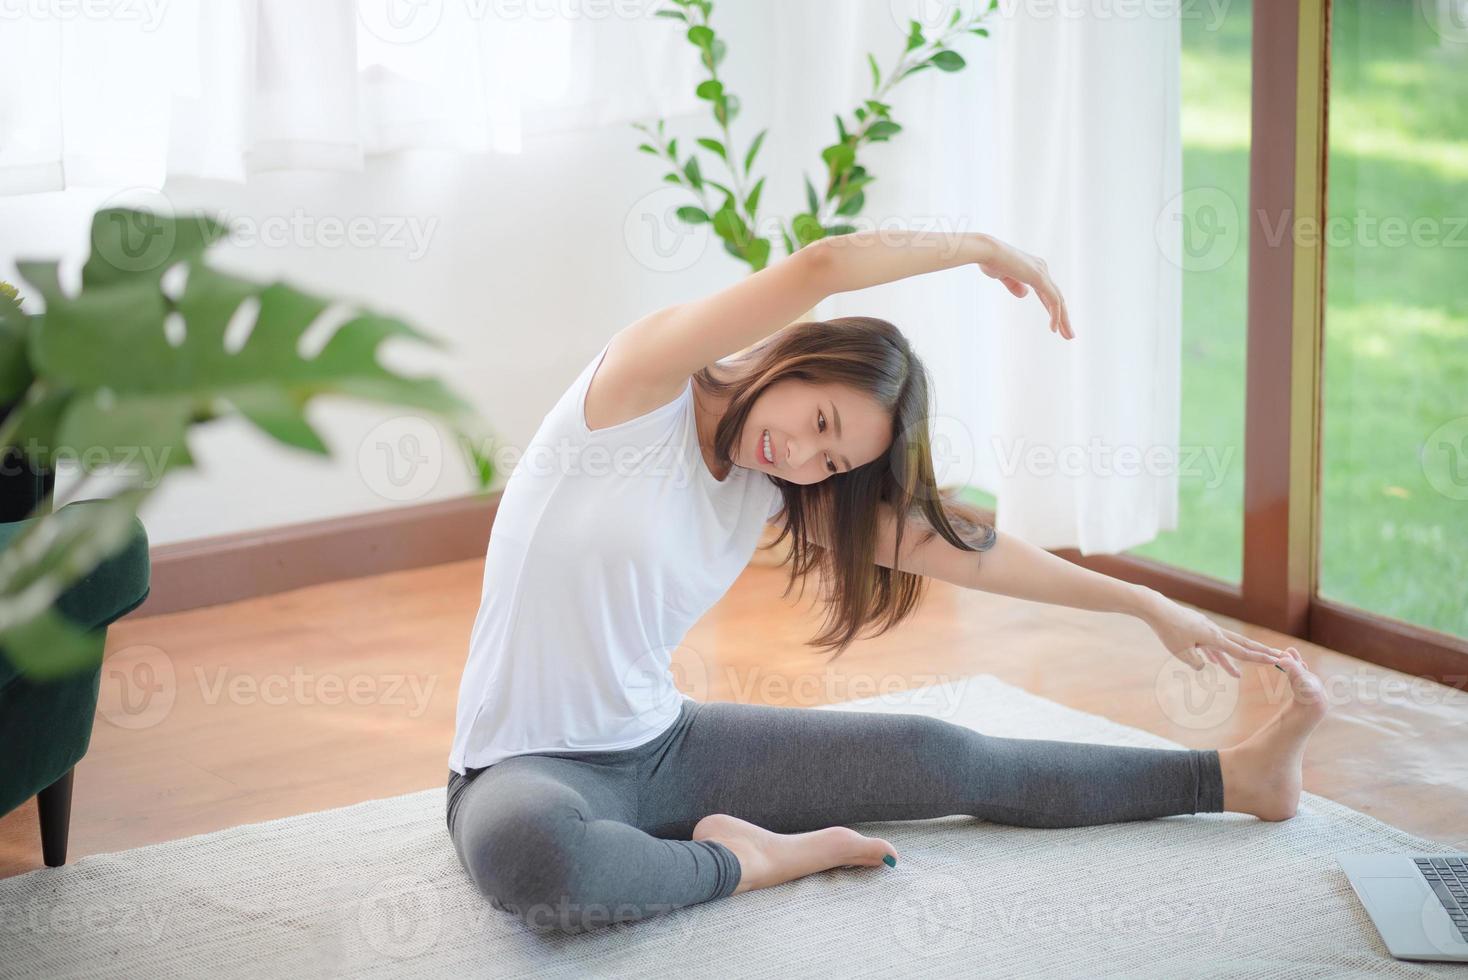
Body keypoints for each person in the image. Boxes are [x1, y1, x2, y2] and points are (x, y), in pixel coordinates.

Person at [445, 229, 1327, 934]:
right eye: (818, 419)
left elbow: (968, 548)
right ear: (796, 361)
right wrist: (981, 248)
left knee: (941, 757)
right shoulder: (641, 387)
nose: (800, 455)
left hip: (665, 747)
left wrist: (1141, 602)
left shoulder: (771, 483)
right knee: (540, 862)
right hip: (522, 767)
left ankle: (1235, 780)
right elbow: (823, 264)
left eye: (830, 459)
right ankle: (752, 862)